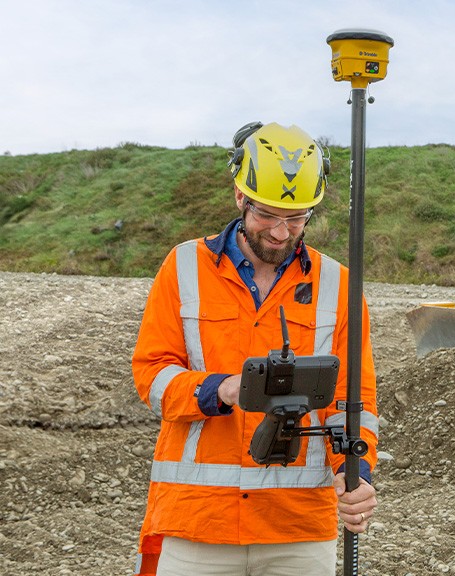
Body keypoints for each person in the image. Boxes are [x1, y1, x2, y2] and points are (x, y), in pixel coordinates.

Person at [131, 122, 379, 576]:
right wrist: (219, 390)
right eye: (267, 215)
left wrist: (357, 474)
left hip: (297, 527)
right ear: (240, 197)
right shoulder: (183, 266)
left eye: (297, 218)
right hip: (199, 522)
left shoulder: (340, 285)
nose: (282, 233)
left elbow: (353, 399)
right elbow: (152, 376)